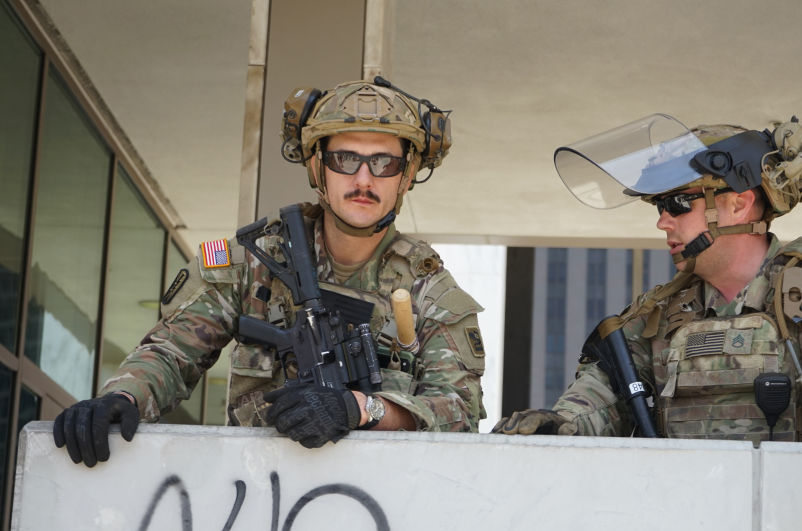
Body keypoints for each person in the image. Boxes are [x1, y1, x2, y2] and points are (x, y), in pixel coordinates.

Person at [493, 114, 802, 531]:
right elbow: (600, 401)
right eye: (660, 207)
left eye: (677, 204)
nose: (662, 221)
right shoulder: (658, 315)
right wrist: (559, 426)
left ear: (738, 203)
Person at [54, 78, 487, 465]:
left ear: (406, 175)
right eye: (344, 159)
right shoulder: (252, 261)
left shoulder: (429, 291)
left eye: (384, 163)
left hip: (375, 502)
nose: (363, 179)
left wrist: (359, 409)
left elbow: (459, 413)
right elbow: (172, 351)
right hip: (255, 493)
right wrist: (123, 396)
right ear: (316, 166)